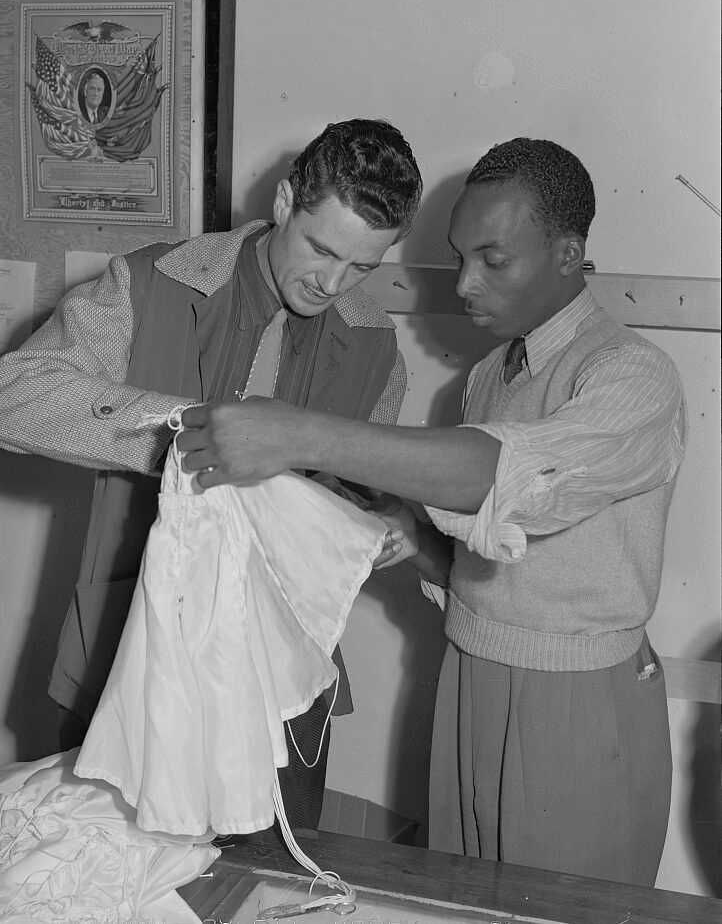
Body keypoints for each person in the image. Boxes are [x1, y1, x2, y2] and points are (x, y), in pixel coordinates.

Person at [175, 137, 686, 885]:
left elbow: (508, 475)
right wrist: (414, 537)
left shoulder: (632, 375)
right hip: (468, 676)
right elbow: (499, 562)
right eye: (459, 258)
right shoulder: (487, 377)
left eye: (494, 260)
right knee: (459, 897)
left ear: (569, 254)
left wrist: (302, 433)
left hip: (579, 701)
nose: (466, 284)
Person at [0, 117, 423, 832]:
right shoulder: (146, 284)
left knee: (270, 887)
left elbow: (361, 498)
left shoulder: (379, 350)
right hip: (130, 652)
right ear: (286, 202)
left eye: (362, 267)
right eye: (321, 250)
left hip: (279, 682)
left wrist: (389, 527)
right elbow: (16, 397)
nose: (332, 282)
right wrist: (190, 432)